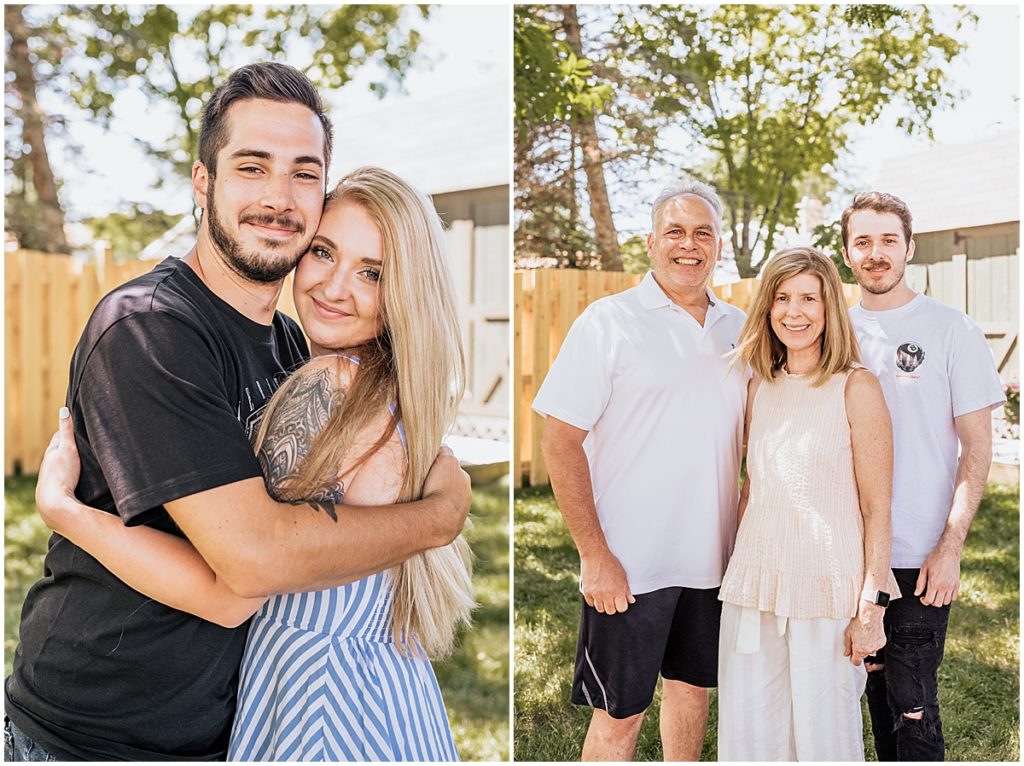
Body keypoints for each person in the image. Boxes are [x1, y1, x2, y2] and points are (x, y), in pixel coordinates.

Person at [5, 64, 471, 762]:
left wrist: (70, 514)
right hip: (99, 734)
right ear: (203, 182)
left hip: (230, 724)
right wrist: (436, 517)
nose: (279, 197)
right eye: (252, 167)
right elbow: (250, 567)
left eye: (303, 173)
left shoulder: (293, 347)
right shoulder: (149, 329)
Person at [532, 182, 747, 761]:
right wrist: (594, 554)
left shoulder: (741, 329)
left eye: (702, 233)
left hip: (714, 562)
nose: (689, 244)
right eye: (675, 232)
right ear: (651, 243)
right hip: (628, 566)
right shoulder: (608, 322)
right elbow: (560, 442)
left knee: (693, 694)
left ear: (718, 246)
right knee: (619, 716)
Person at [717, 247, 900, 761]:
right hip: (756, 585)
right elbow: (752, 489)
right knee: (750, 734)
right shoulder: (760, 386)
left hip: (828, 588)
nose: (793, 312)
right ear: (767, 308)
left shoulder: (857, 386)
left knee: (825, 739)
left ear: (828, 308)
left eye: (808, 299)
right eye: (781, 298)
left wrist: (872, 607)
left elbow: (877, 508)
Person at [841, 192, 1004, 761]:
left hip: (919, 556)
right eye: (863, 241)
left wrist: (950, 548)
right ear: (847, 252)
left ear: (909, 248)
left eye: (888, 240)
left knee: (911, 704)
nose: (876, 253)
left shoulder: (951, 329)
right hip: (847, 551)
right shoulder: (832, 329)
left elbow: (976, 449)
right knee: (871, 694)